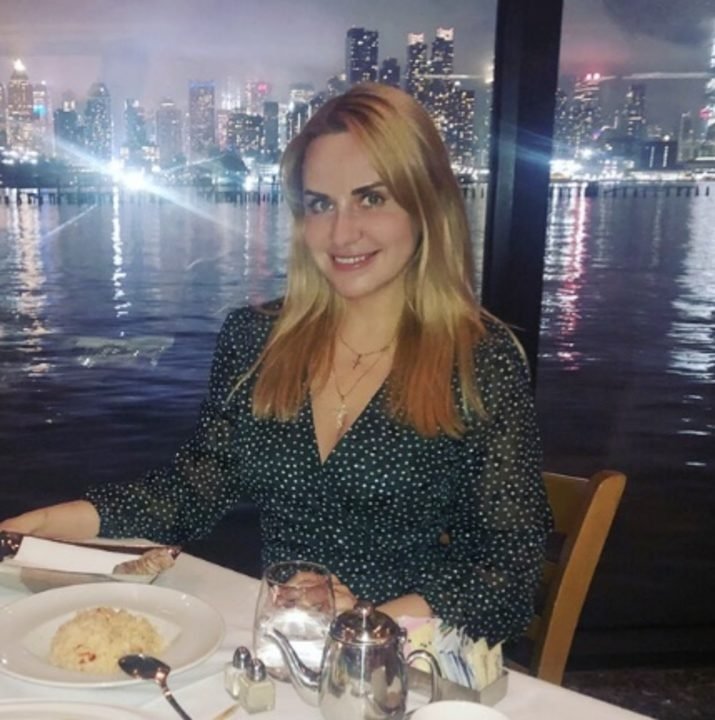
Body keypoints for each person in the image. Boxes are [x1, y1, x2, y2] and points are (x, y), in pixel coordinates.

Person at [0, 83, 551, 646]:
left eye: (371, 198)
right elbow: (197, 487)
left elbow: (508, 573)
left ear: (426, 204)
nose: (342, 233)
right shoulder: (256, 339)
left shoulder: (481, 360)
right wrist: (57, 522)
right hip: (280, 643)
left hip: (408, 658)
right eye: (321, 204)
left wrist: (364, 623)